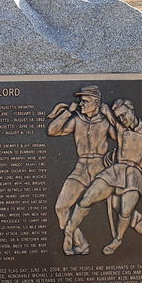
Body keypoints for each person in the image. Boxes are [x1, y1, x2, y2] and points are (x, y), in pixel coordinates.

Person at [64, 98, 142, 256]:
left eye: (124, 115)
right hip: (115, 171)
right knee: (87, 198)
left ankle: (118, 239)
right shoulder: (120, 127)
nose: (122, 119)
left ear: (132, 110)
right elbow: (107, 112)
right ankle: (69, 231)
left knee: (125, 212)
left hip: (134, 174)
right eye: (119, 117)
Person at [47, 85, 114, 255]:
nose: (81, 104)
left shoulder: (105, 122)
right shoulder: (77, 120)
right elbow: (52, 130)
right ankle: (80, 242)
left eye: (84, 101)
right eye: (80, 101)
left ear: (96, 103)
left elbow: (124, 139)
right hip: (80, 170)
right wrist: (68, 112)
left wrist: (111, 117)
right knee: (61, 207)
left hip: (100, 171)